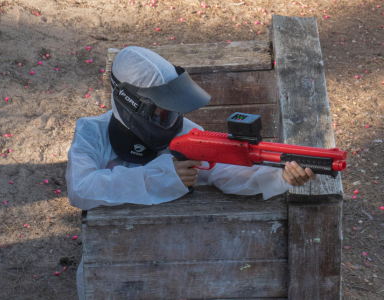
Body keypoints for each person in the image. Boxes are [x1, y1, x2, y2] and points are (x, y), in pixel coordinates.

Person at [65, 46, 317, 300]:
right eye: (161, 111)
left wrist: (278, 173)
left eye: (174, 109)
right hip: (109, 269)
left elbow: (227, 172)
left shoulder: (187, 132)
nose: (171, 119)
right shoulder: (92, 133)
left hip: (175, 268)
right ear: (131, 103)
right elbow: (80, 188)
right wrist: (162, 176)